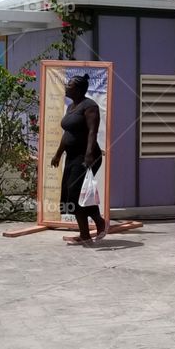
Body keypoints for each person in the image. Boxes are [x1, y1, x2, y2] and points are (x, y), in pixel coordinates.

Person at [51, 73, 106, 245]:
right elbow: (68, 133)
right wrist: (58, 154)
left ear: (79, 89)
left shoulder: (90, 107)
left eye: (70, 85)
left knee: (77, 194)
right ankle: (85, 235)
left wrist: (89, 154)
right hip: (72, 157)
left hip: (87, 156)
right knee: (71, 195)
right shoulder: (72, 107)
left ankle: (100, 222)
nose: (67, 86)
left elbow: (92, 132)